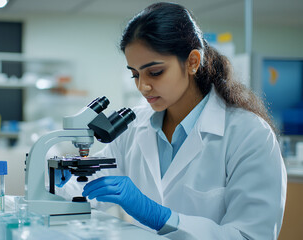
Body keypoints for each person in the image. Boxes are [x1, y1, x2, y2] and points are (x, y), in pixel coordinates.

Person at [56, 2, 286, 239]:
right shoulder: (134, 128)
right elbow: (83, 188)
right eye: (135, 74)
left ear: (193, 62)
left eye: (155, 72)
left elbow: (251, 235)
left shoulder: (249, 135)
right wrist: (56, 183)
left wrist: (163, 218)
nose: (143, 86)